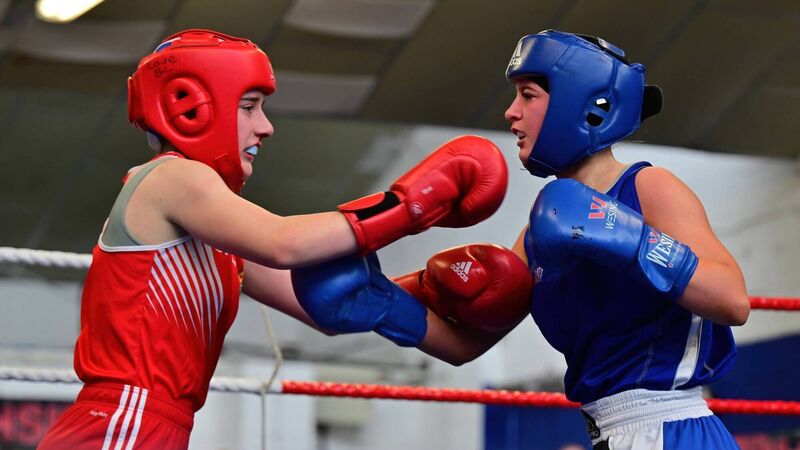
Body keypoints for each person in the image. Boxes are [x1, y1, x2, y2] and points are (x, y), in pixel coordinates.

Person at [37, 29, 509, 450]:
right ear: (190, 106)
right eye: (249, 106)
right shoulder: (170, 178)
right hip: (123, 423)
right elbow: (285, 242)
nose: (265, 126)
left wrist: (482, 300)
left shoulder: (218, 241)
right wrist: (410, 204)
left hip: (153, 428)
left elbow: (324, 306)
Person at [292, 30, 750, 450]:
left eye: (527, 95)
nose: (511, 112)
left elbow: (732, 300)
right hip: (613, 433)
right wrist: (381, 304)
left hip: (672, 430)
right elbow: (466, 343)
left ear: (588, 106)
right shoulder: (539, 232)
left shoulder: (649, 188)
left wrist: (628, 238)